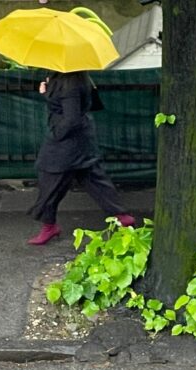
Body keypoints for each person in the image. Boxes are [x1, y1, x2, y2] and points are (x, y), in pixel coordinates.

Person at [27, 70, 135, 245]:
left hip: (66, 141)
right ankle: (122, 216)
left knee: (50, 177)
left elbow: (71, 118)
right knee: (91, 176)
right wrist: (48, 91)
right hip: (79, 139)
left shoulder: (69, 83)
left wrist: (57, 133)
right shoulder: (72, 77)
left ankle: (49, 226)